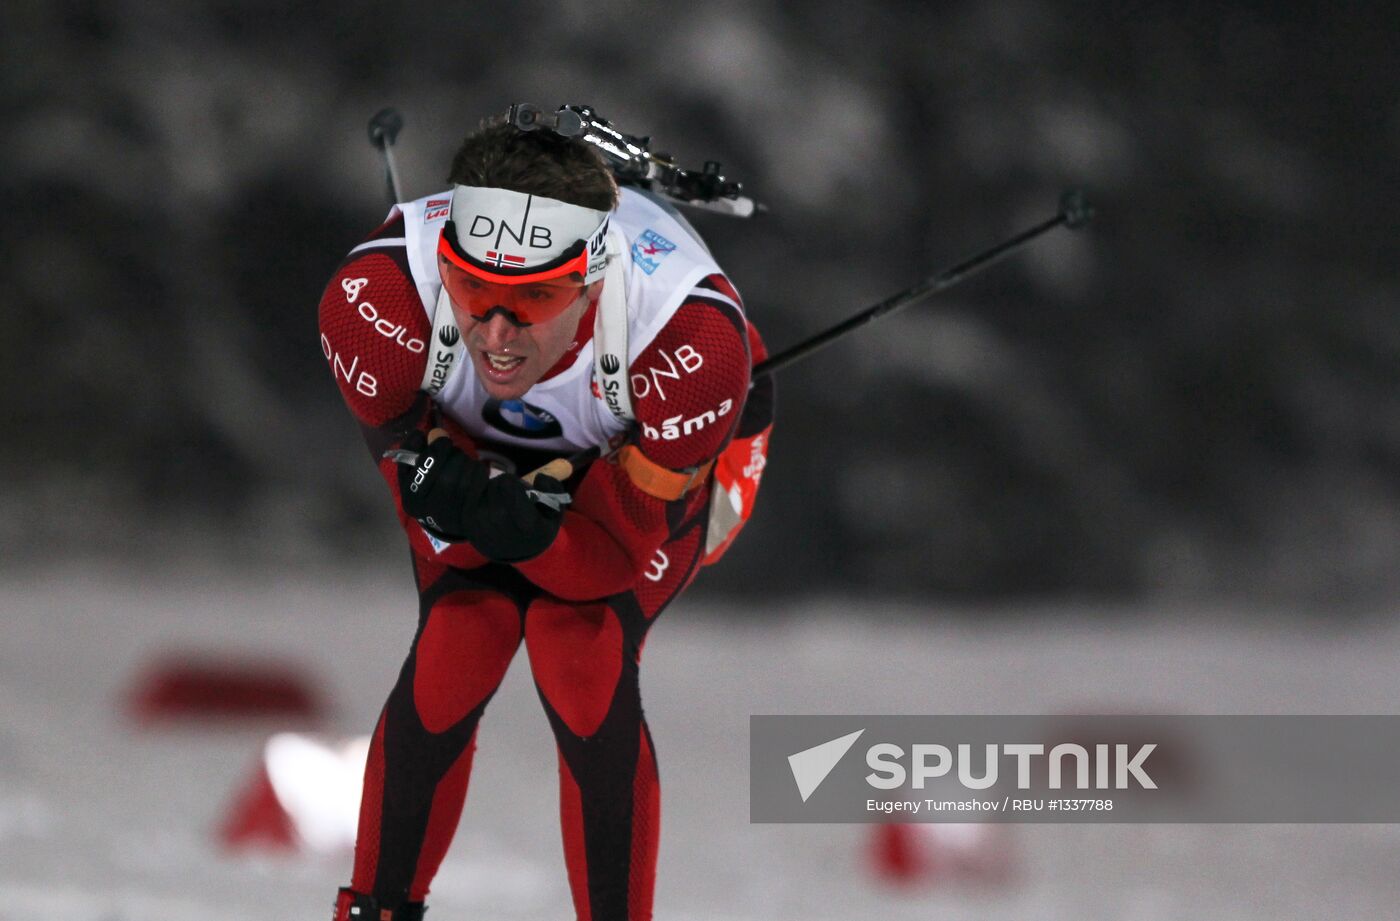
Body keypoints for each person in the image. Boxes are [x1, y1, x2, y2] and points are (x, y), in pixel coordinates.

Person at [316, 113, 774, 921]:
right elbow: (423, 499)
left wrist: (526, 524)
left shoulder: (690, 341)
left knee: (580, 650)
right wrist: (446, 484)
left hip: (673, 449)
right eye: (472, 290)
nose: (496, 333)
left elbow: (611, 558)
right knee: (463, 630)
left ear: (593, 281)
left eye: (534, 298)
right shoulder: (377, 298)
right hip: (493, 440)